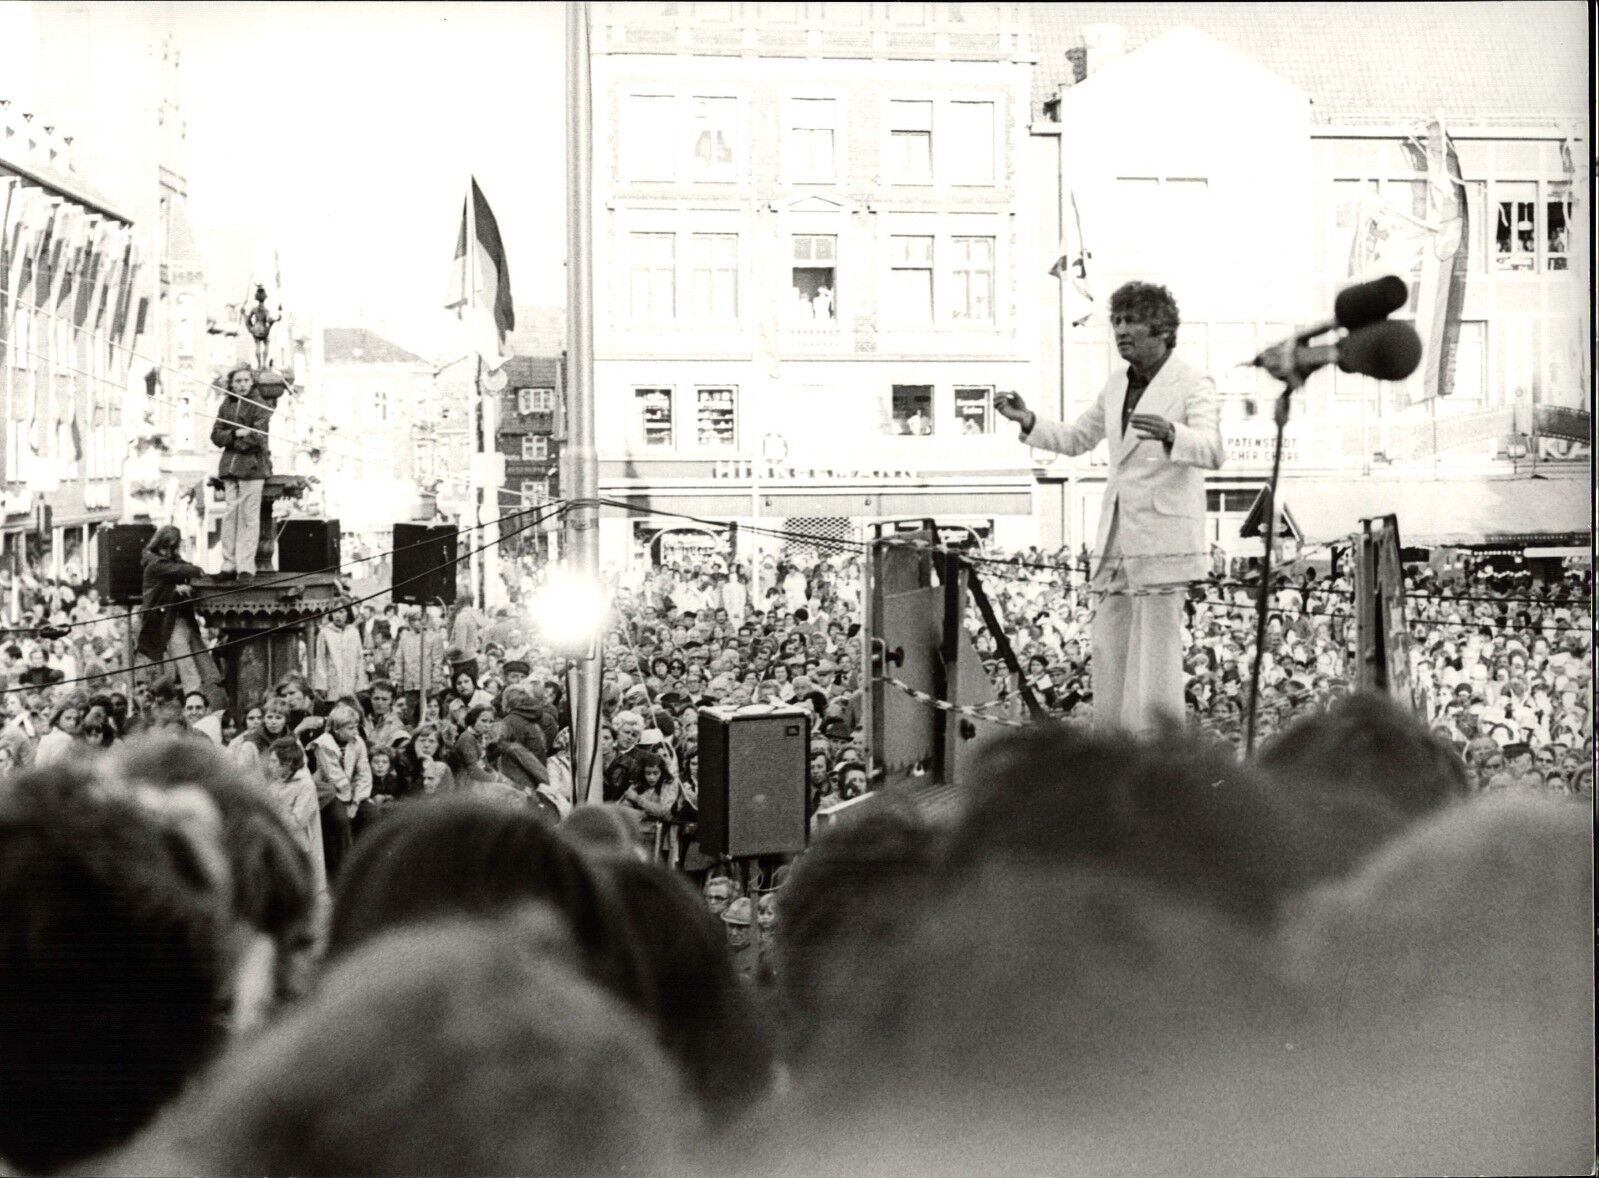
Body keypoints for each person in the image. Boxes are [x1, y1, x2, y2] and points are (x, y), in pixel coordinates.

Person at [996, 281, 1223, 732]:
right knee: (1109, 646)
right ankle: (1113, 744)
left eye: (1132, 321)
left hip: (1164, 540)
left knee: (1155, 655)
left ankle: (1156, 751)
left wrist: (1173, 434)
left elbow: (1214, 450)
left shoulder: (1193, 382)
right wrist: (1030, 422)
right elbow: (1079, 438)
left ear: (1161, 329)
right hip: (1116, 536)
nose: (1120, 330)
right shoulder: (1116, 384)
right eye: (1116, 321)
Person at [209, 365, 283, 578]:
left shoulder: (258, 404)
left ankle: (245, 567)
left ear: (252, 383)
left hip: (253, 467)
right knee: (230, 515)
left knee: (249, 517)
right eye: (238, 381)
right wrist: (235, 434)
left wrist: (234, 440)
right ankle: (228, 564)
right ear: (231, 383)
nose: (242, 385)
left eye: (245, 381)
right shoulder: (227, 405)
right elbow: (215, 435)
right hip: (230, 468)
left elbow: (258, 438)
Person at [136, 525, 222, 692]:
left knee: (208, 670)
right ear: (158, 544)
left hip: (182, 621)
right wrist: (176, 590)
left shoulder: (167, 561)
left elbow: (187, 568)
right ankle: (195, 704)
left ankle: (216, 706)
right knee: (189, 672)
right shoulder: (154, 564)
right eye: (165, 547)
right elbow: (187, 569)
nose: (167, 552)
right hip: (169, 624)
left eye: (171, 548)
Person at [310, 703, 371, 879]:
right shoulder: (323, 744)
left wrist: (357, 800)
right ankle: (344, 870)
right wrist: (349, 802)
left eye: (356, 727)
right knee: (340, 820)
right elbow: (334, 776)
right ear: (337, 729)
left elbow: (364, 772)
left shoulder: (358, 742)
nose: (355, 732)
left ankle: (369, 863)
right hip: (329, 792)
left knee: (371, 813)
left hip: (352, 793)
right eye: (351, 728)